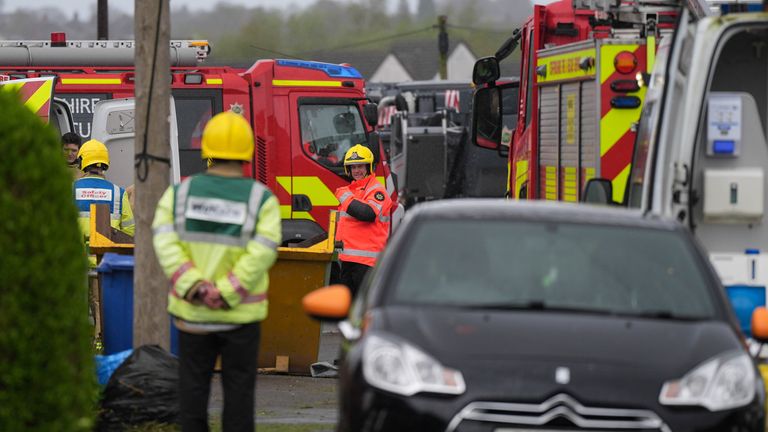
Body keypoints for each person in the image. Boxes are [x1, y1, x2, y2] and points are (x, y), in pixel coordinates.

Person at [152, 111, 281, 432]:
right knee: (239, 398)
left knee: (192, 395)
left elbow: (164, 240)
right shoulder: (261, 199)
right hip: (240, 318)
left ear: (206, 149)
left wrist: (195, 286)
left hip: (193, 314)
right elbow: (262, 250)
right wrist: (227, 291)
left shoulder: (179, 195)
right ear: (247, 152)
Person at [334, 144, 392, 296]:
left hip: (366, 264)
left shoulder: (376, 190)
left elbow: (367, 213)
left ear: (368, 167)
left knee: (363, 308)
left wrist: (344, 197)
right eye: (353, 167)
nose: (356, 171)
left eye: (360, 166)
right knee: (348, 307)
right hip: (348, 260)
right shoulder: (352, 191)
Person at [73, 139, 135, 242]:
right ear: (106, 163)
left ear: (81, 162)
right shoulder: (118, 193)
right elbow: (130, 230)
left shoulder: (70, 190)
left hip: (77, 256)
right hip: (107, 256)